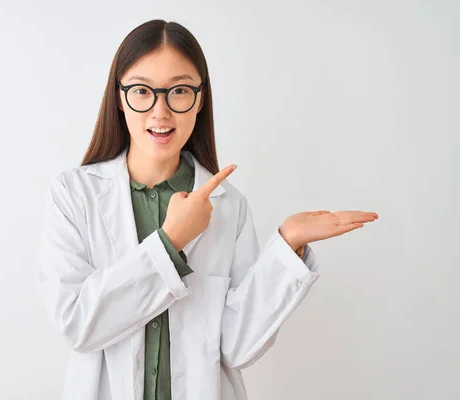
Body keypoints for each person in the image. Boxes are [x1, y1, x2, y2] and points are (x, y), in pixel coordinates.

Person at [37, 19, 378, 400]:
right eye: (141, 91)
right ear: (119, 96)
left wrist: (288, 245)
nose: (160, 111)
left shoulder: (228, 205)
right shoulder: (73, 194)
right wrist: (170, 243)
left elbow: (237, 347)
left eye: (179, 91)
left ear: (200, 98)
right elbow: (77, 324)